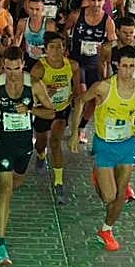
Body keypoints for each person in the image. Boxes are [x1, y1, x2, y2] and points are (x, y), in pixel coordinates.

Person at [70, 46, 135, 252]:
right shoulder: (104, 87)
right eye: (124, 66)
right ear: (116, 65)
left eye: (132, 66)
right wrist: (74, 133)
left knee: (121, 196)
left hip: (127, 144)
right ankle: (98, 176)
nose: (127, 71)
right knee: (108, 197)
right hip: (104, 145)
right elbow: (80, 101)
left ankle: (106, 230)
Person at [0, 47, 56, 266]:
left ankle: (6, 206)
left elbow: (51, 112)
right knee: (6, 189)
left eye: (16, 69)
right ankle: (1, 244)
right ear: (3, 67)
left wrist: (29, 111)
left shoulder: (34, 85)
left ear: (23, 65)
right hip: (4, 143)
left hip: (25, 144)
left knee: (17, 182)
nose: (12, 74)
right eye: (8, 69)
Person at [63, 0, 117, 144]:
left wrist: (105, 49)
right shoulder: (77, 15)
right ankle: (71, 126)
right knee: (81, 94)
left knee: (92, 100)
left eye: (100, 0)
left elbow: (112, 43)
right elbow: (65, 30)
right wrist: (67, 46)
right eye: (93, 0)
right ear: (87, 0)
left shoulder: (108, 21)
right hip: (77, 62)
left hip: (94, 64)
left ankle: (81, 127)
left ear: (104, 1)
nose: (96, 4)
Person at [30, 33, 80, 203]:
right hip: (44, 110)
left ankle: (59, 182)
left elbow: (77, 90)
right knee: (41, 142)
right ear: (45, 49)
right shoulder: (39, 68)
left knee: (56, 143)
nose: (56, 51)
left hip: (61, 110)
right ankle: (41, 156)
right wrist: (44, 93)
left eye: (59, 46)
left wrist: (75, 99)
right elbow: (30, 94)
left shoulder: (72, 66)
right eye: (52, 47)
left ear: (64, 48)